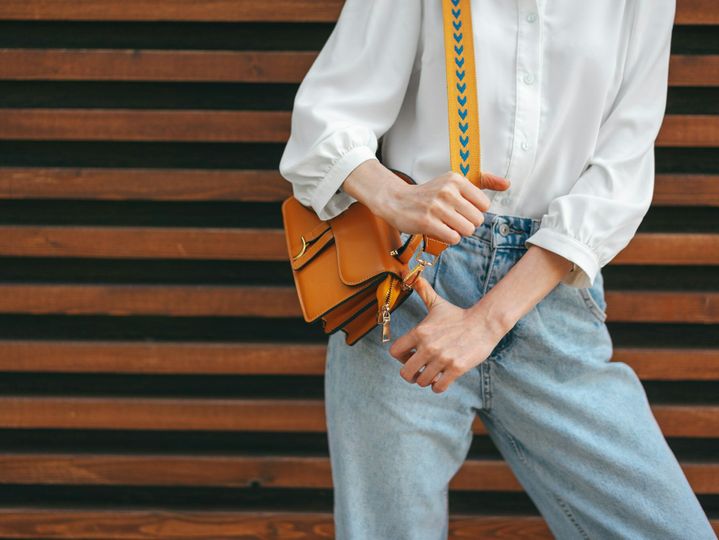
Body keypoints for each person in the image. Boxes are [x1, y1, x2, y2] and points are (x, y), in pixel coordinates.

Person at [279, 1, 717, 539]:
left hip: (548, 290)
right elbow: (328, 116)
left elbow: (622, 169)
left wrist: (487, 320)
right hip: (413, 288)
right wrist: (398, 197)